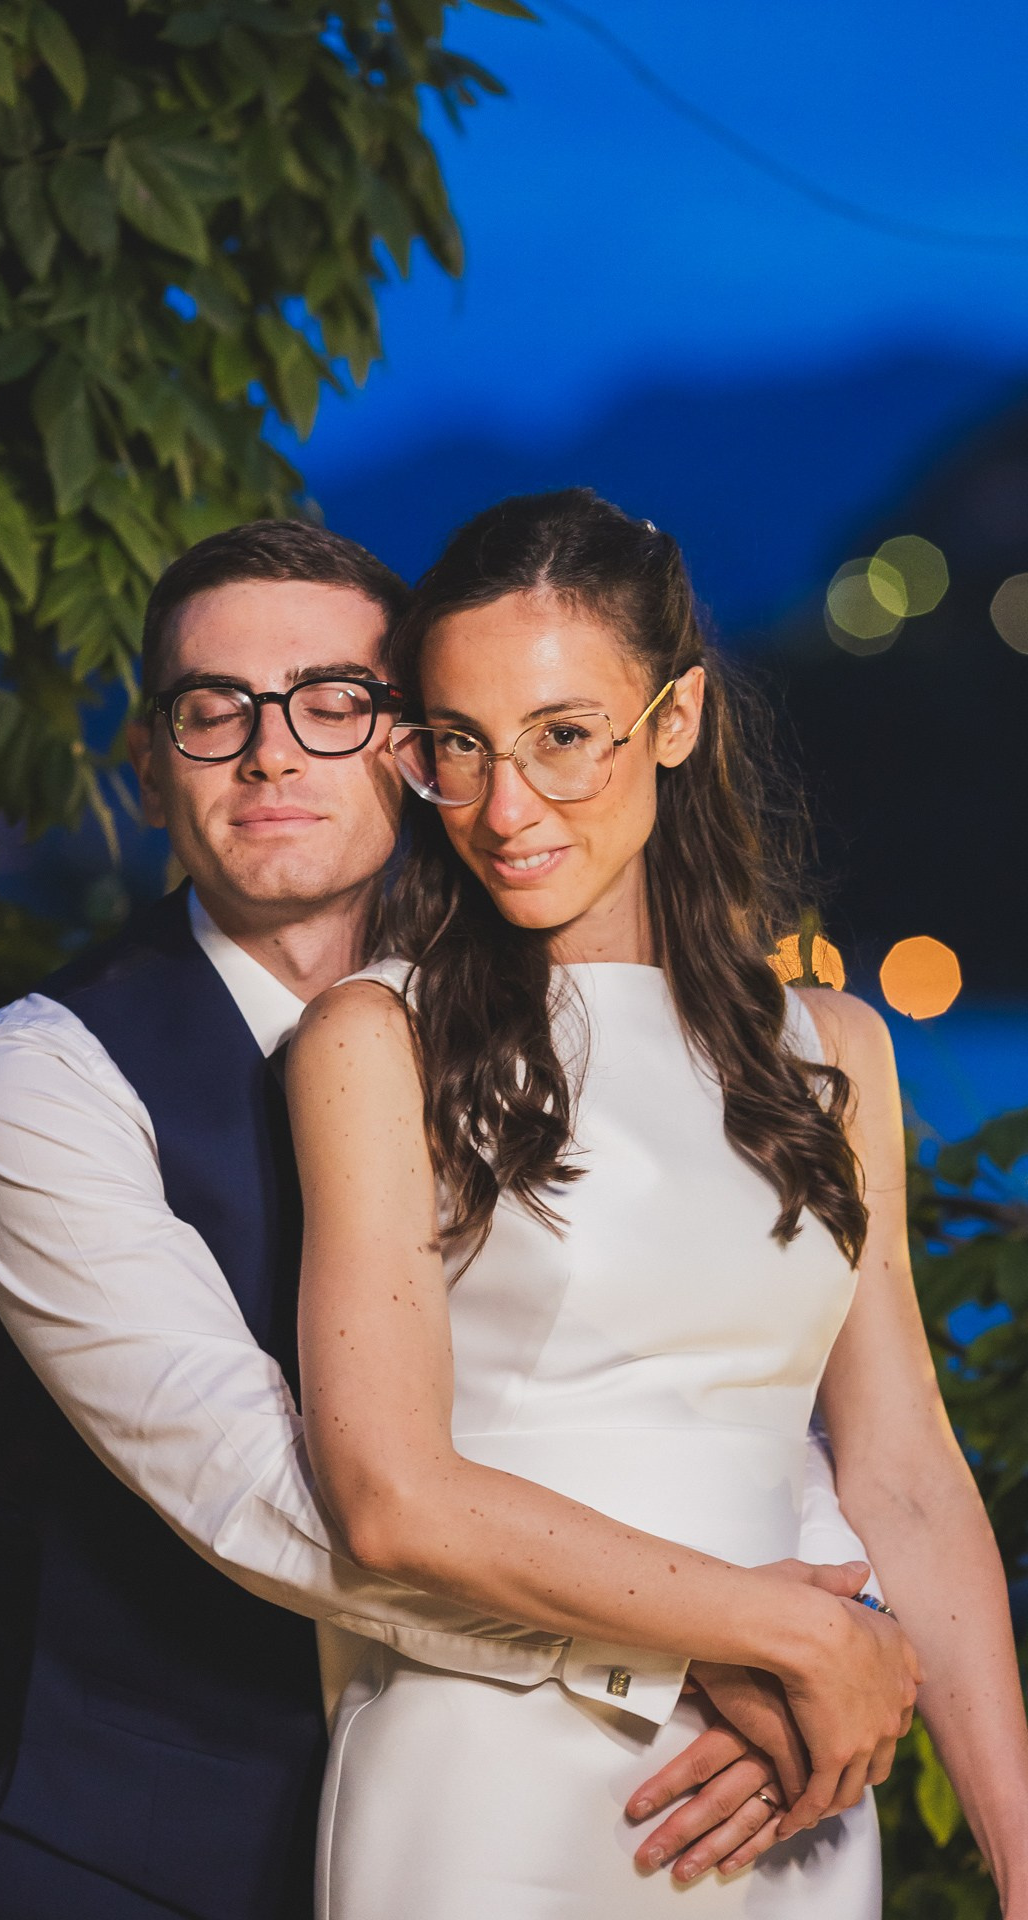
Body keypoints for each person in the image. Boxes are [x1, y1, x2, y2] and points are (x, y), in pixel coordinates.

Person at [0, 519, 884, 1920]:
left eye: (333, 703)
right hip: (139, 1859)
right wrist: (714, 1644)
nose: (272, 754)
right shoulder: (41, 1078)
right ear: (146, 768)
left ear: (416, 746)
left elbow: (703, 1385)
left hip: (536, 1808)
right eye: (213, 712)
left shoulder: (530, 1035)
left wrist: (834, 1612)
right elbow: (276, 1499)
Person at [287, 490, 1028, 1917]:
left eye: (564, 736)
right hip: (494, 1781)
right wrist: (792, 1636)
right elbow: (388, 1496)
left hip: (790, 1791)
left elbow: (908, 1479)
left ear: (675, 717)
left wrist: (1018, 1857)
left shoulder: (833, 1051)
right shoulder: (378, 1038)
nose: (506, 807)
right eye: (460, 746)